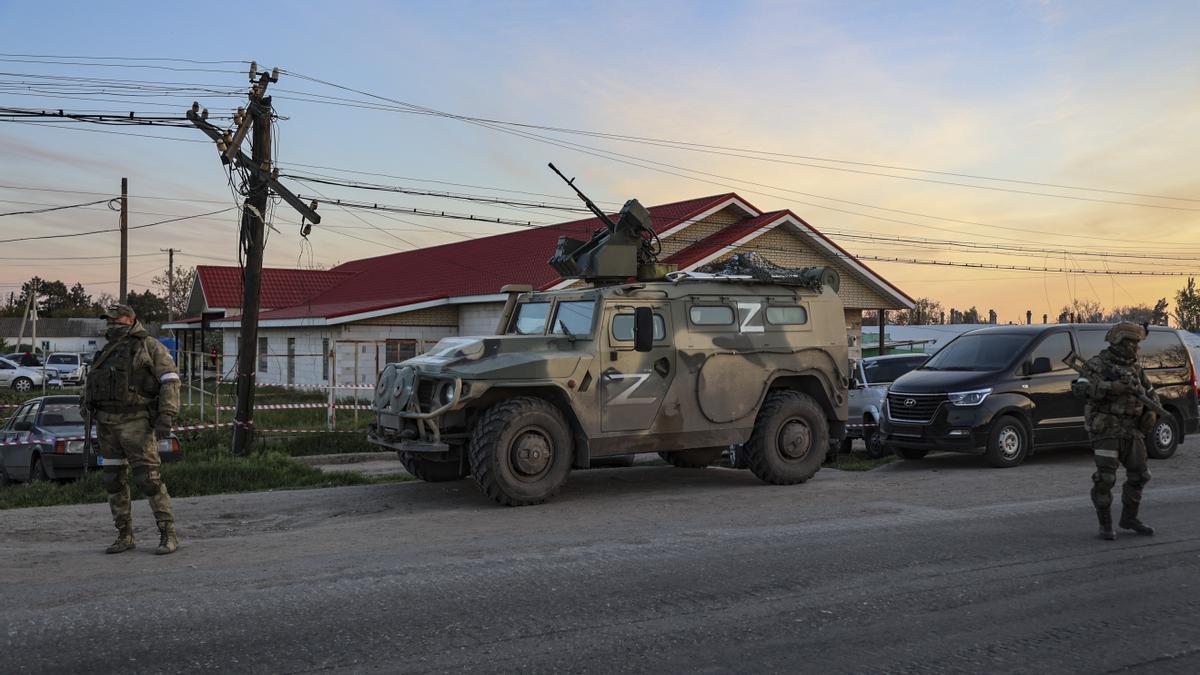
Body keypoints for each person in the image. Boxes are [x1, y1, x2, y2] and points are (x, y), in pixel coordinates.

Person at [81, 304, 181, 555]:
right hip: (107, 424)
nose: (112, 324)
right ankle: (124, 534)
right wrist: (86, 408)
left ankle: (167, 534)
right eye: (109, 320)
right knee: (113, 480)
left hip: (136, 422)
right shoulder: (105, 351)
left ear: (131, 319)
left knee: (148, 479)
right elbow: (92, 384)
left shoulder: (150, 346)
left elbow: (170, 380)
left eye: (117, 319)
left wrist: (166, 415)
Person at [1071, 322, 1159, 540]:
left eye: (1138, 344)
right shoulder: (1096, 365)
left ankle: (1129, 518)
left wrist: (1153, 412)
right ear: (1121, 343)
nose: (1136, 349)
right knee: (1105, 478)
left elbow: (1151, 394)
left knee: (1140, 475)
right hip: (1107, 429)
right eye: (1133, 344)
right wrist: (1110, 388)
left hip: (1132, 430)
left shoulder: (1136, 369)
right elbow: (1079, 389)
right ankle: (1105, 525)